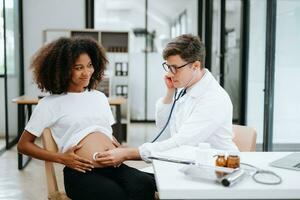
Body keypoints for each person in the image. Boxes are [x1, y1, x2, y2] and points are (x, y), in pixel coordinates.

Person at [17, 37, 156, 200]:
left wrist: (115, 146)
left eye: (90, 65)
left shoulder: (99, 97)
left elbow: (104, 131)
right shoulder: (49, 104)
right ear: (62, 70)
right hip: (80, 172)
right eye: (78, 67)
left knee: (145, 185)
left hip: (113, 166)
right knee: (114, 195)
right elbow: (23, 145)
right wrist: (61, 158)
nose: (87, 72)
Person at [94, 34, 239, 166]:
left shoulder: (213, 99)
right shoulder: (186, 86)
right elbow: (162, 124)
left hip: (214, 168)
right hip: (186, 162)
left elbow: (181, 142)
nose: (169, 73)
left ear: (195, 66)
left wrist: (128, 153)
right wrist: (170, 93)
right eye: (168, 67)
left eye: (175, 68)